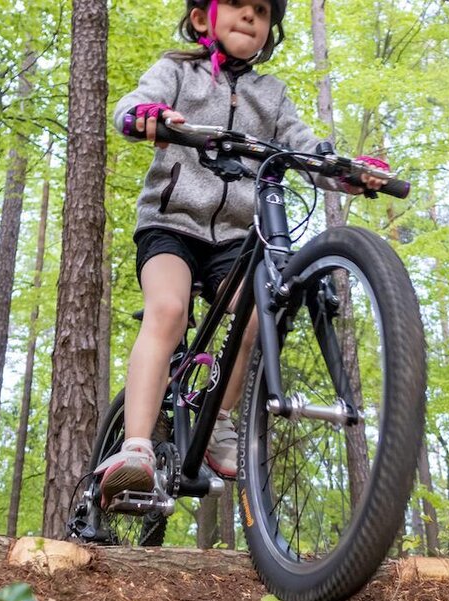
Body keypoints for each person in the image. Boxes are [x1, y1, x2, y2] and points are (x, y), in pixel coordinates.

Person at [94, 0, 389, 505]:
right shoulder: (177, 71)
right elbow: (132, 104)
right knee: (167, 311)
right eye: (236, 4)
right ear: (201, 19)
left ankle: (219, 421)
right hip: (172, 224)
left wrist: (345, 169)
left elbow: (305, 147)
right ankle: (136, 447)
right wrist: (147, 116)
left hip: (235, 236)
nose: (250, 16)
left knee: (258, 316)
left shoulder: (270, 94)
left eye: (260, 10)